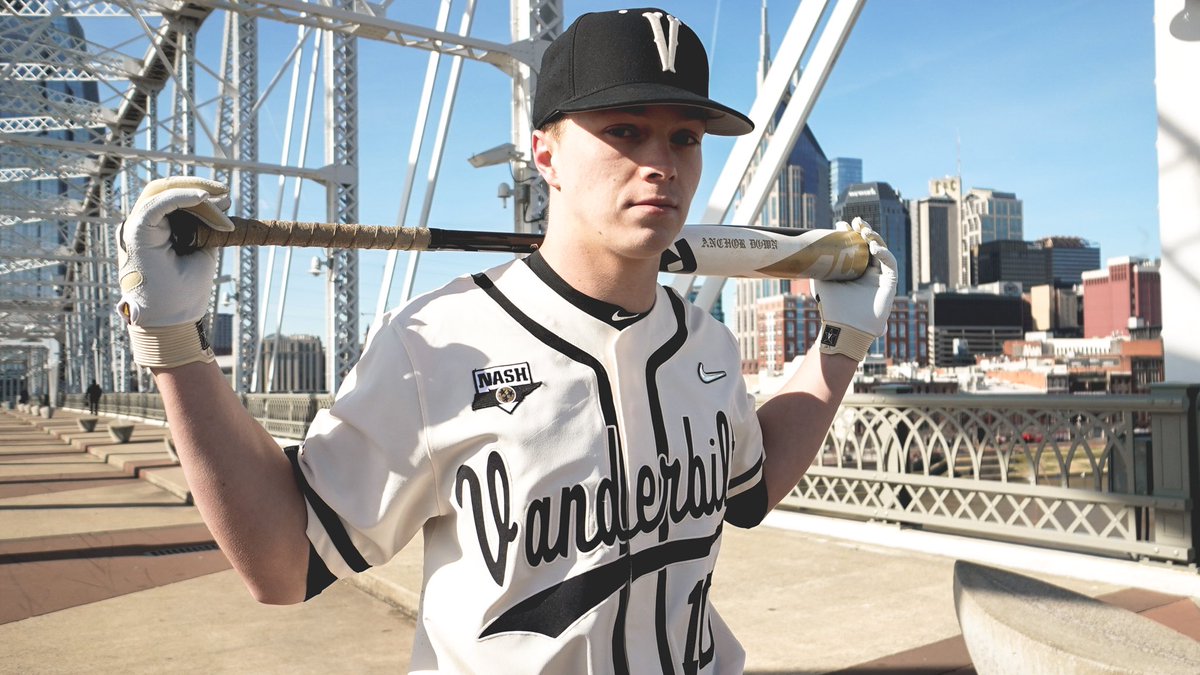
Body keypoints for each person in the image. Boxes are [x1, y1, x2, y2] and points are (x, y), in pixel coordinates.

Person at [115, 8, 897, 673]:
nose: (662, 163)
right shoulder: (437, 343)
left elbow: (749, 490)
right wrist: (174, 343)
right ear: (546, 153)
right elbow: (286, 561)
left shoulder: (706, 343)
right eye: (625, 130)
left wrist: (843, 341)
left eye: (685, 137)